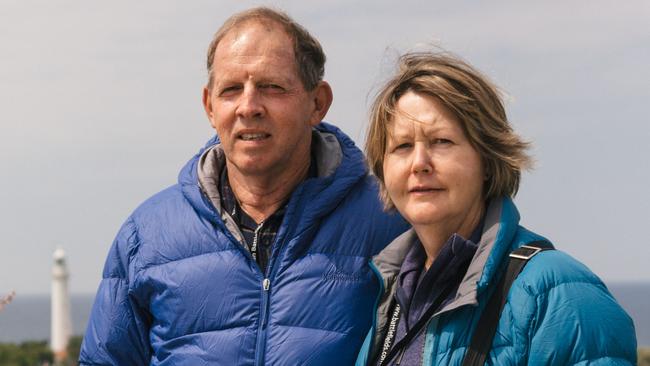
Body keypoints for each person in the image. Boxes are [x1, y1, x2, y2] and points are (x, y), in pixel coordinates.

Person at [79, 7, 407, 365]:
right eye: (231, 90)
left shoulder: (391, 218)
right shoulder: (147, 235)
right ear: (209, 106)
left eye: (271, 87)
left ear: (317, 103)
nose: (248, 107)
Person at [355, 52, 637, 365]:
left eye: (441, 141)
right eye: (402, 146)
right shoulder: (393, 300)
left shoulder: (558, 294)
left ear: (487, 160)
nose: (419, 163)